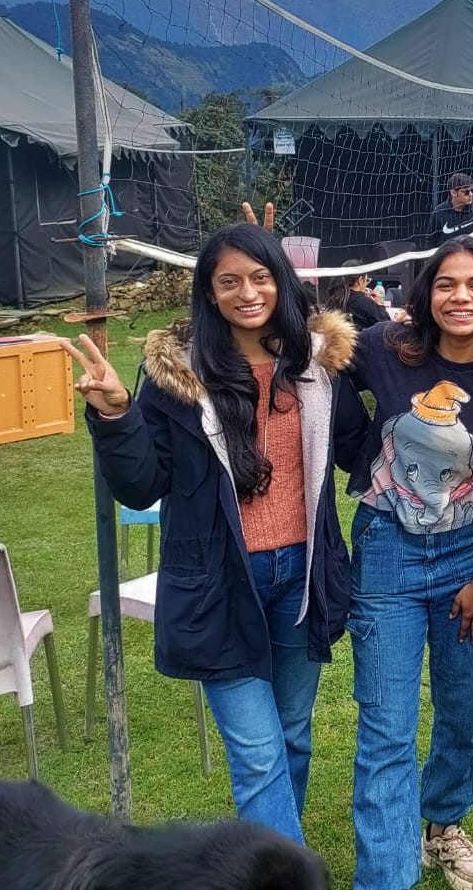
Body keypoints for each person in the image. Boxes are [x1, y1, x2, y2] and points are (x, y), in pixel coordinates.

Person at [63, 222, 368, 844]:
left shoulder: (314, 368)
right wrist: (116, 412)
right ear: (209, 291)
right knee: (258, 754)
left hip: (301, 577)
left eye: (260, 278)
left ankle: (271, 862)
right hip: (218, 581)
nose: (247, 292)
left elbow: (358, 449)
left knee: (292, 736)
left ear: (281, 282)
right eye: (229, 281)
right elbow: (141, 485)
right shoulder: (180, 377)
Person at [343, 235, 473, 890]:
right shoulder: (385, 350)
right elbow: (309, 352)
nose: (462, 296)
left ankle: (444, 824)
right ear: (425, 293)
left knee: (461, 712)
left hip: (467, 558)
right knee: (386, 732)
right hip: (386, 556)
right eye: (448, 283)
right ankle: (385, 877)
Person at [319, 258, 389, 330]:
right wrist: (380, 305)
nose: (366, 284)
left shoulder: (333, 300)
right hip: (361, 340)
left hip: (338, 340)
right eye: (366, 280)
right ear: (360, 280)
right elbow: (387, 328)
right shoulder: (364, 303)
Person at [429, 173, 473, 246]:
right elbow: (430, 241)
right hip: (450, 255)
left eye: (472, 190)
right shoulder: (439, 212)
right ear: (453, 192)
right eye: (466, 192)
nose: (471, 194)